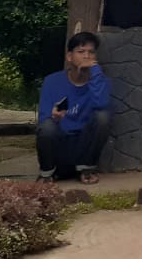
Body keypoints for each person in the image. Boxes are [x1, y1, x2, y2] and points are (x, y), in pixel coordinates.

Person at [36, 32, 111, 184]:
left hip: (84, 147)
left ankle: (87, 170)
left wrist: (95, 72)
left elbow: (101, 105)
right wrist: (54, 117)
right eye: (81, 52)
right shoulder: (52, 81)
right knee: (47, 127)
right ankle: (47, 174)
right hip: (60, 145)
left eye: (91, 52)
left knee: (103, 116)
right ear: (70, 56)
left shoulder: (101, 81)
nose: (87, 56)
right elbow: (43, 120)